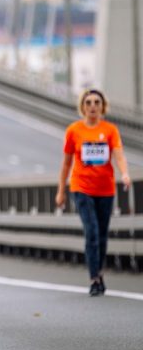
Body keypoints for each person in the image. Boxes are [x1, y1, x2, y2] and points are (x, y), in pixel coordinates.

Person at [56, 88, 130, 296]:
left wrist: (124, 173)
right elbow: (66, 163)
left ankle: (99, 272)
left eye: (97, 102)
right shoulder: (74, 131)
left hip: (105, 189)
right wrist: (61, 191)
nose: (93, 106)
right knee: (92, 232)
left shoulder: (110, 130)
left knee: (102, 235)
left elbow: (119, 154)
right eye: (88, 102)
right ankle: (94, 278)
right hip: (82, 188)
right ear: (82, 107)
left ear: (103, 106)